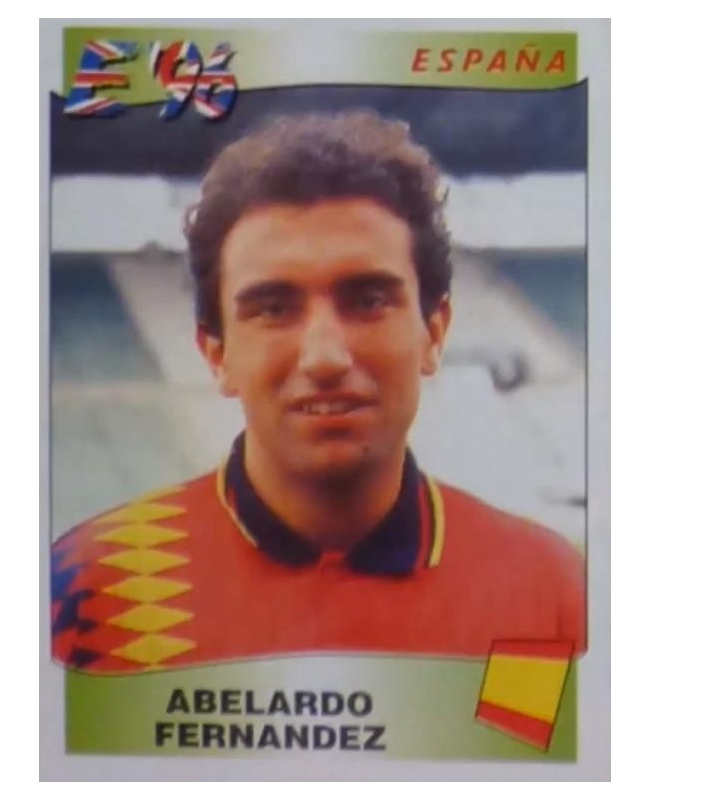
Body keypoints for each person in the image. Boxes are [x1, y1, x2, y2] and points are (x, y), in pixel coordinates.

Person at [51, 111, 585, 674]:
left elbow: (516, 736)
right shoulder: (91, 588)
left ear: (433, 334)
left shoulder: (538, 588)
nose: (325, 357)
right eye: (274, 309)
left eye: (368, 301)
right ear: (217, 354)